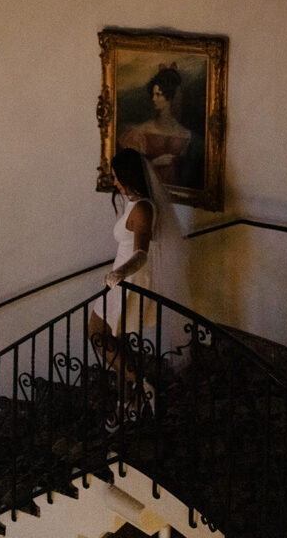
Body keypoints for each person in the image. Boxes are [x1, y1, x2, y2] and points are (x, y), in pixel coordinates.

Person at [89, 146, 187, 424]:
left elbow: (141, 253)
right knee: (114, 341)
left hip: (128, 281)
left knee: (96, 334)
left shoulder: (143, 207)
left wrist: (119, 273)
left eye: (117, 177)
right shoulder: (133, 202)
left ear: (127, 176)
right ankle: (125, 398)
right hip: (119, 279)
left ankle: (143, 386)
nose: (115, 182)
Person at [120, 64, 203, 188]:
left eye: (158, 95)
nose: (153, 99)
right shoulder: (141, 131)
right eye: (153, 94)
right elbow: (132, 171)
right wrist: (155, 163)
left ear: (170, 98)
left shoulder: (189, 136)